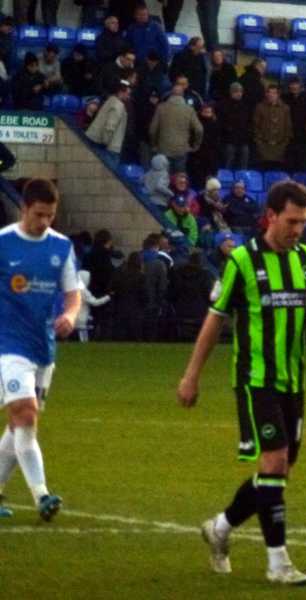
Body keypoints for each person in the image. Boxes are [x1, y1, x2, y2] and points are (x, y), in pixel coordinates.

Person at [177, 180, 306, 586]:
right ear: (270, 216)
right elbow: (214, 321)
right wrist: (191, 376)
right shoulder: (241, 261)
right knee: (274, 461)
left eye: (303, 222)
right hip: (256, 380)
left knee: (278, 472)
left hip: (294, 382)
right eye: (292, 221)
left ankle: (221, 527)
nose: (298, 230)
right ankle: (278, 562)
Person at [0, 179, 81, 520]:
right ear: (24, 209)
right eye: (38, 215)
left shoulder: (61, 247)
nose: (44, 222)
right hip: (7, 344)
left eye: (50, 216)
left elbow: (72, 292)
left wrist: (70, 315)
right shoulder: (3, 243)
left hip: (42, 346)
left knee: (20, 425)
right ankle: (42, 496)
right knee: (26, 413)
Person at [149, 83, 204, 174]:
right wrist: (196, 145)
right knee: (179, 179)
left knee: (163, 179)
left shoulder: (161, 108)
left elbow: (152, 130)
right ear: (183, 94)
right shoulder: (189, 110)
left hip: (163, 149)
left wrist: (154, 145)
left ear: (171, 93)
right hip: (181, 150)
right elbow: (199, 129)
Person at [85, 81, 131, 167]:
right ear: (121, 92)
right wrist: (105, 142)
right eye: (127, 94)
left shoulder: (110, 100)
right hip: (111, 147)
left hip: (96, 140)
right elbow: (110, 126)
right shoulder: (118, 105)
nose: (129, 96)